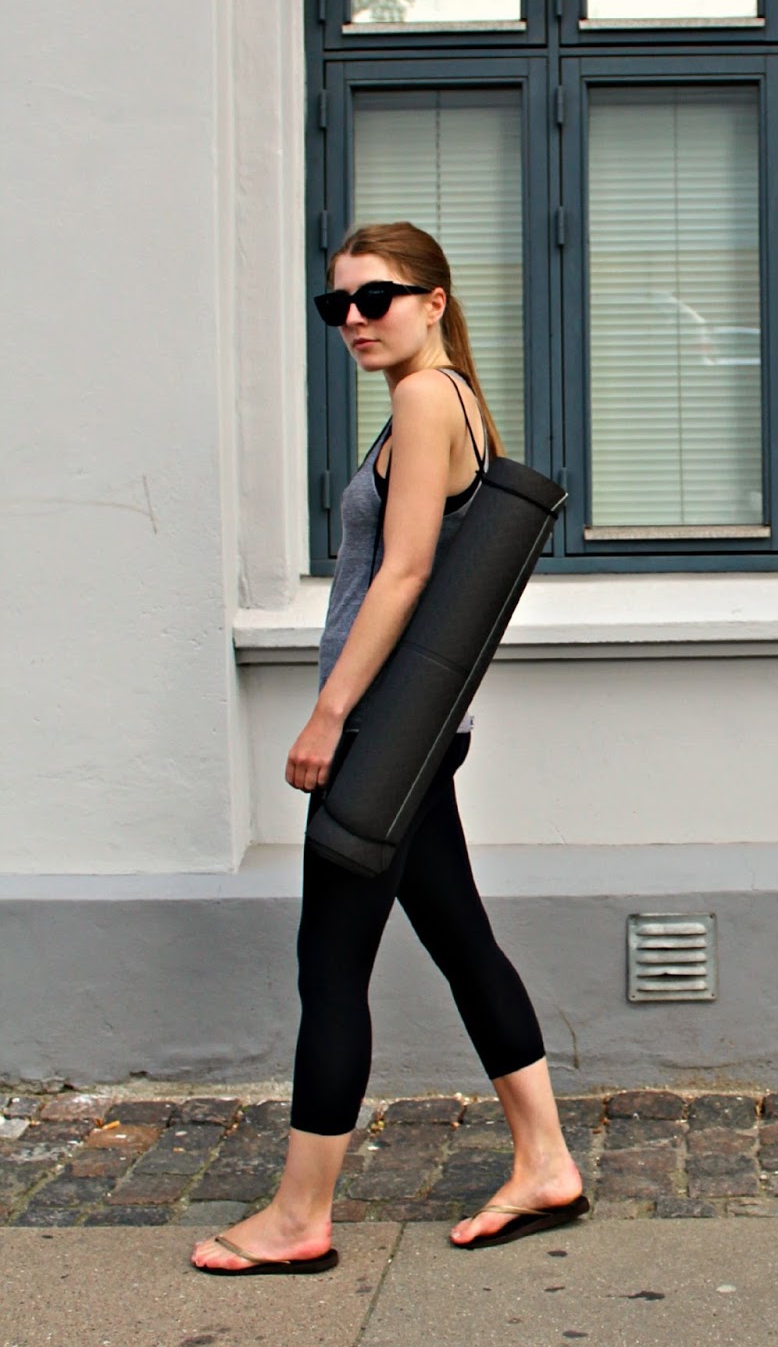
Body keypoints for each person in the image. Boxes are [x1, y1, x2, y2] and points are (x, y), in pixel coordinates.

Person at [192, 222, 586, 1276]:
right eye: (339, 306)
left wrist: (330, 715)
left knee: (330, 966)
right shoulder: (452, 399)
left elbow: (405, 573)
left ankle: (299, 1217)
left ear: (434, 301)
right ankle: (546, 1162)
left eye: (377, 298)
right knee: (462, 943)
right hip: (417, 735)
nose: (355, 321)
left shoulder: (423, 400)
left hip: (381, 734)